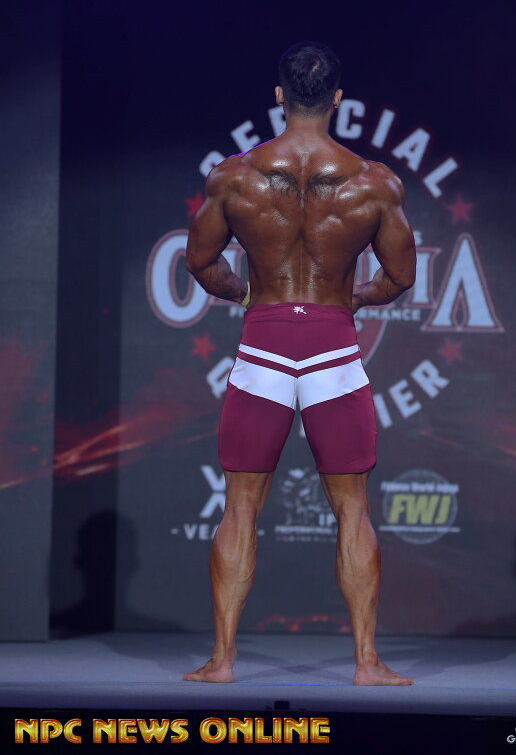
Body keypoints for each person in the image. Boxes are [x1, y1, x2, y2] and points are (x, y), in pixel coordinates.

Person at [183, 42, 416, 686]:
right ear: (337, 98)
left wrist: (246, 295)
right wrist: (353, 298)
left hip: (263, 342)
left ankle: (223, 661)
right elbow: (401, 275)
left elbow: (199, 262)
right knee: (352, 510)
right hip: (334, 348)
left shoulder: (234, 177)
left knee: (239, 507)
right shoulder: (375, 183)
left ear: (280, 95)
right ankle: (366, 663)